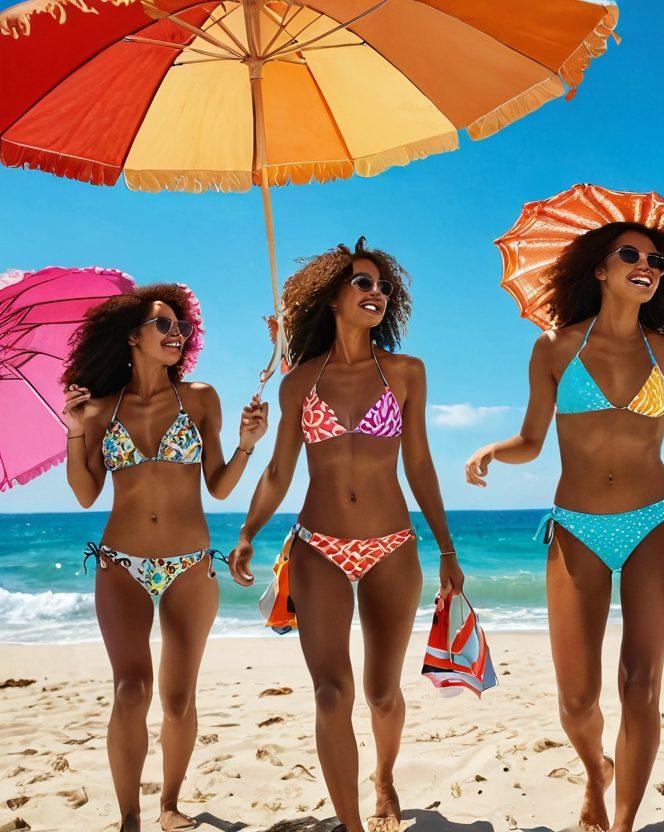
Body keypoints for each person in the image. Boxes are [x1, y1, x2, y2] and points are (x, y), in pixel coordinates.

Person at [465, 222, 664, 832]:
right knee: (576, 701)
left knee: (641, 685)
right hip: (577, 526)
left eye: (655, 260)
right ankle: (597, 771)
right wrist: (495, 450)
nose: (645, 264)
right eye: (630, 255)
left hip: (655, 521)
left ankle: (622, 823)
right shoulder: (556, 348)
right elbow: (532, 440)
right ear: (599, 269)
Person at [228, 238, 464, 832]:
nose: (376, 293)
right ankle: (352, 825)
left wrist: (448, 548)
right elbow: (280, 470)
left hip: (392, 546)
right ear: (332, 297)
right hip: (318, 547)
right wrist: (249, 531)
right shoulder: (298, 382)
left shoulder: (406, 372)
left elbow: (421, 466)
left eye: (383, 286)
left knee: (382, 693)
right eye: (363, 283)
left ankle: (384, 779)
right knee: (332, 694)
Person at [60, 283, 267, 832]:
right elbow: (84, 494)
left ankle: (170, 804)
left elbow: (219, 487)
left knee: (177, 700)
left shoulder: (199, 399)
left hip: (190, 565)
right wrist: (75, 435)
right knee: (131, 690)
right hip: (121, 563)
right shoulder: (101, 410)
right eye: (164, 325)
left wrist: (247, 443)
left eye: (181, 328)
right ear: (133, 336)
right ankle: (129, 817)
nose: (177, 335)